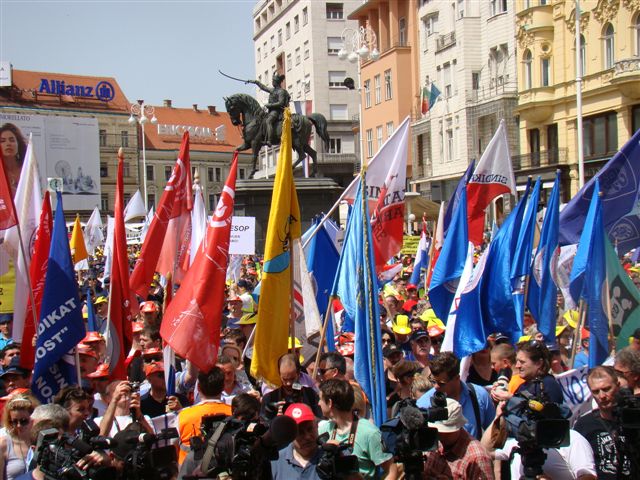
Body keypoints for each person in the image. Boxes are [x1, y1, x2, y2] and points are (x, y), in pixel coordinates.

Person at [318, 378, 397, 479]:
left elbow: (391, 469)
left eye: (320, 399)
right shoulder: (323, 431)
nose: (318, 403)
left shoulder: (369, 433)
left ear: (329, 403)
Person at [417, 351, 495, 440]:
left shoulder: (479, 396)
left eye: (441, 383)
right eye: (433, 381)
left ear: (457, 378)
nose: (436, 387)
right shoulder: (423, 404)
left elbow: (493, 434)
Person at [574, 366, 631, 479]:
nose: (602, 396)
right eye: (596, 391)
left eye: (606, 389)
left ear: (618, 386)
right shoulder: (584, 424)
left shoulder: (633, 419)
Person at [423, 397, 494, 479]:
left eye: (444, 432)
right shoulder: (434, 443)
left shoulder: (477, 457)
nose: (439, 435)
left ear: (457, 427)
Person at [177, 367, 232, 463]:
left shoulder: (183, 416)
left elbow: (174, 446)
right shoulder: (233, 413)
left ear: (198, 388)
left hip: (190, 473)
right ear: (223, 387)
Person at [493, 429, 597, 479]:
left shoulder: (569, 438)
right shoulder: (517, 440)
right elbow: (483, 448)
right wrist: (499, 417)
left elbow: (589, 477)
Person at [492, 340, 564, 404]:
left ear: (539, 363)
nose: (517, 366)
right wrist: (497, 396)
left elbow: (550, 416)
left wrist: (511, 398)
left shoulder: (548, 384)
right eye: (517, 361)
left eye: (522, 362)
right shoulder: (522, 386)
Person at [261, 353, 321, 421]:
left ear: (299, 374)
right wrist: (276, 419)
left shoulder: (310, 394)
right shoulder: (270, 398)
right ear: (279, 374)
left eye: (292, 379)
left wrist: (306, 413)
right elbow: (264, 424)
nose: (288, 383)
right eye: (284, 379)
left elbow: (320, 420)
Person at [271, 403, 323, 480]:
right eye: (300, 432)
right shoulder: (276, 462)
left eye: (310, 429)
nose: (307, 437)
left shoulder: (329, 458)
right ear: (289, 435)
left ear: (317, 425)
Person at [0, 394, 38, 480]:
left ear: (33, 418)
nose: (19, 425)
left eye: (23, 421)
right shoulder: (3, 444)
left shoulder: (40, 440)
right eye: (14, 421)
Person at [251, 72, 291, 146]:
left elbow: (281, 103)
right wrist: (256, 82)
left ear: (276, 82)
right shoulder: (273, 90)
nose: (272, 82)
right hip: (271, 111)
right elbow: (263, 87)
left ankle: (270, 140)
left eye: (273, 81)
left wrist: (270, 105)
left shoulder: (281, 91)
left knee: (268, 121)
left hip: (277, 111)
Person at [0, 123, 27, 195]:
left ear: (18, 144)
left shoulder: (27, 168)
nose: (8, 143)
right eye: (2, 141)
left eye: (12, 140)